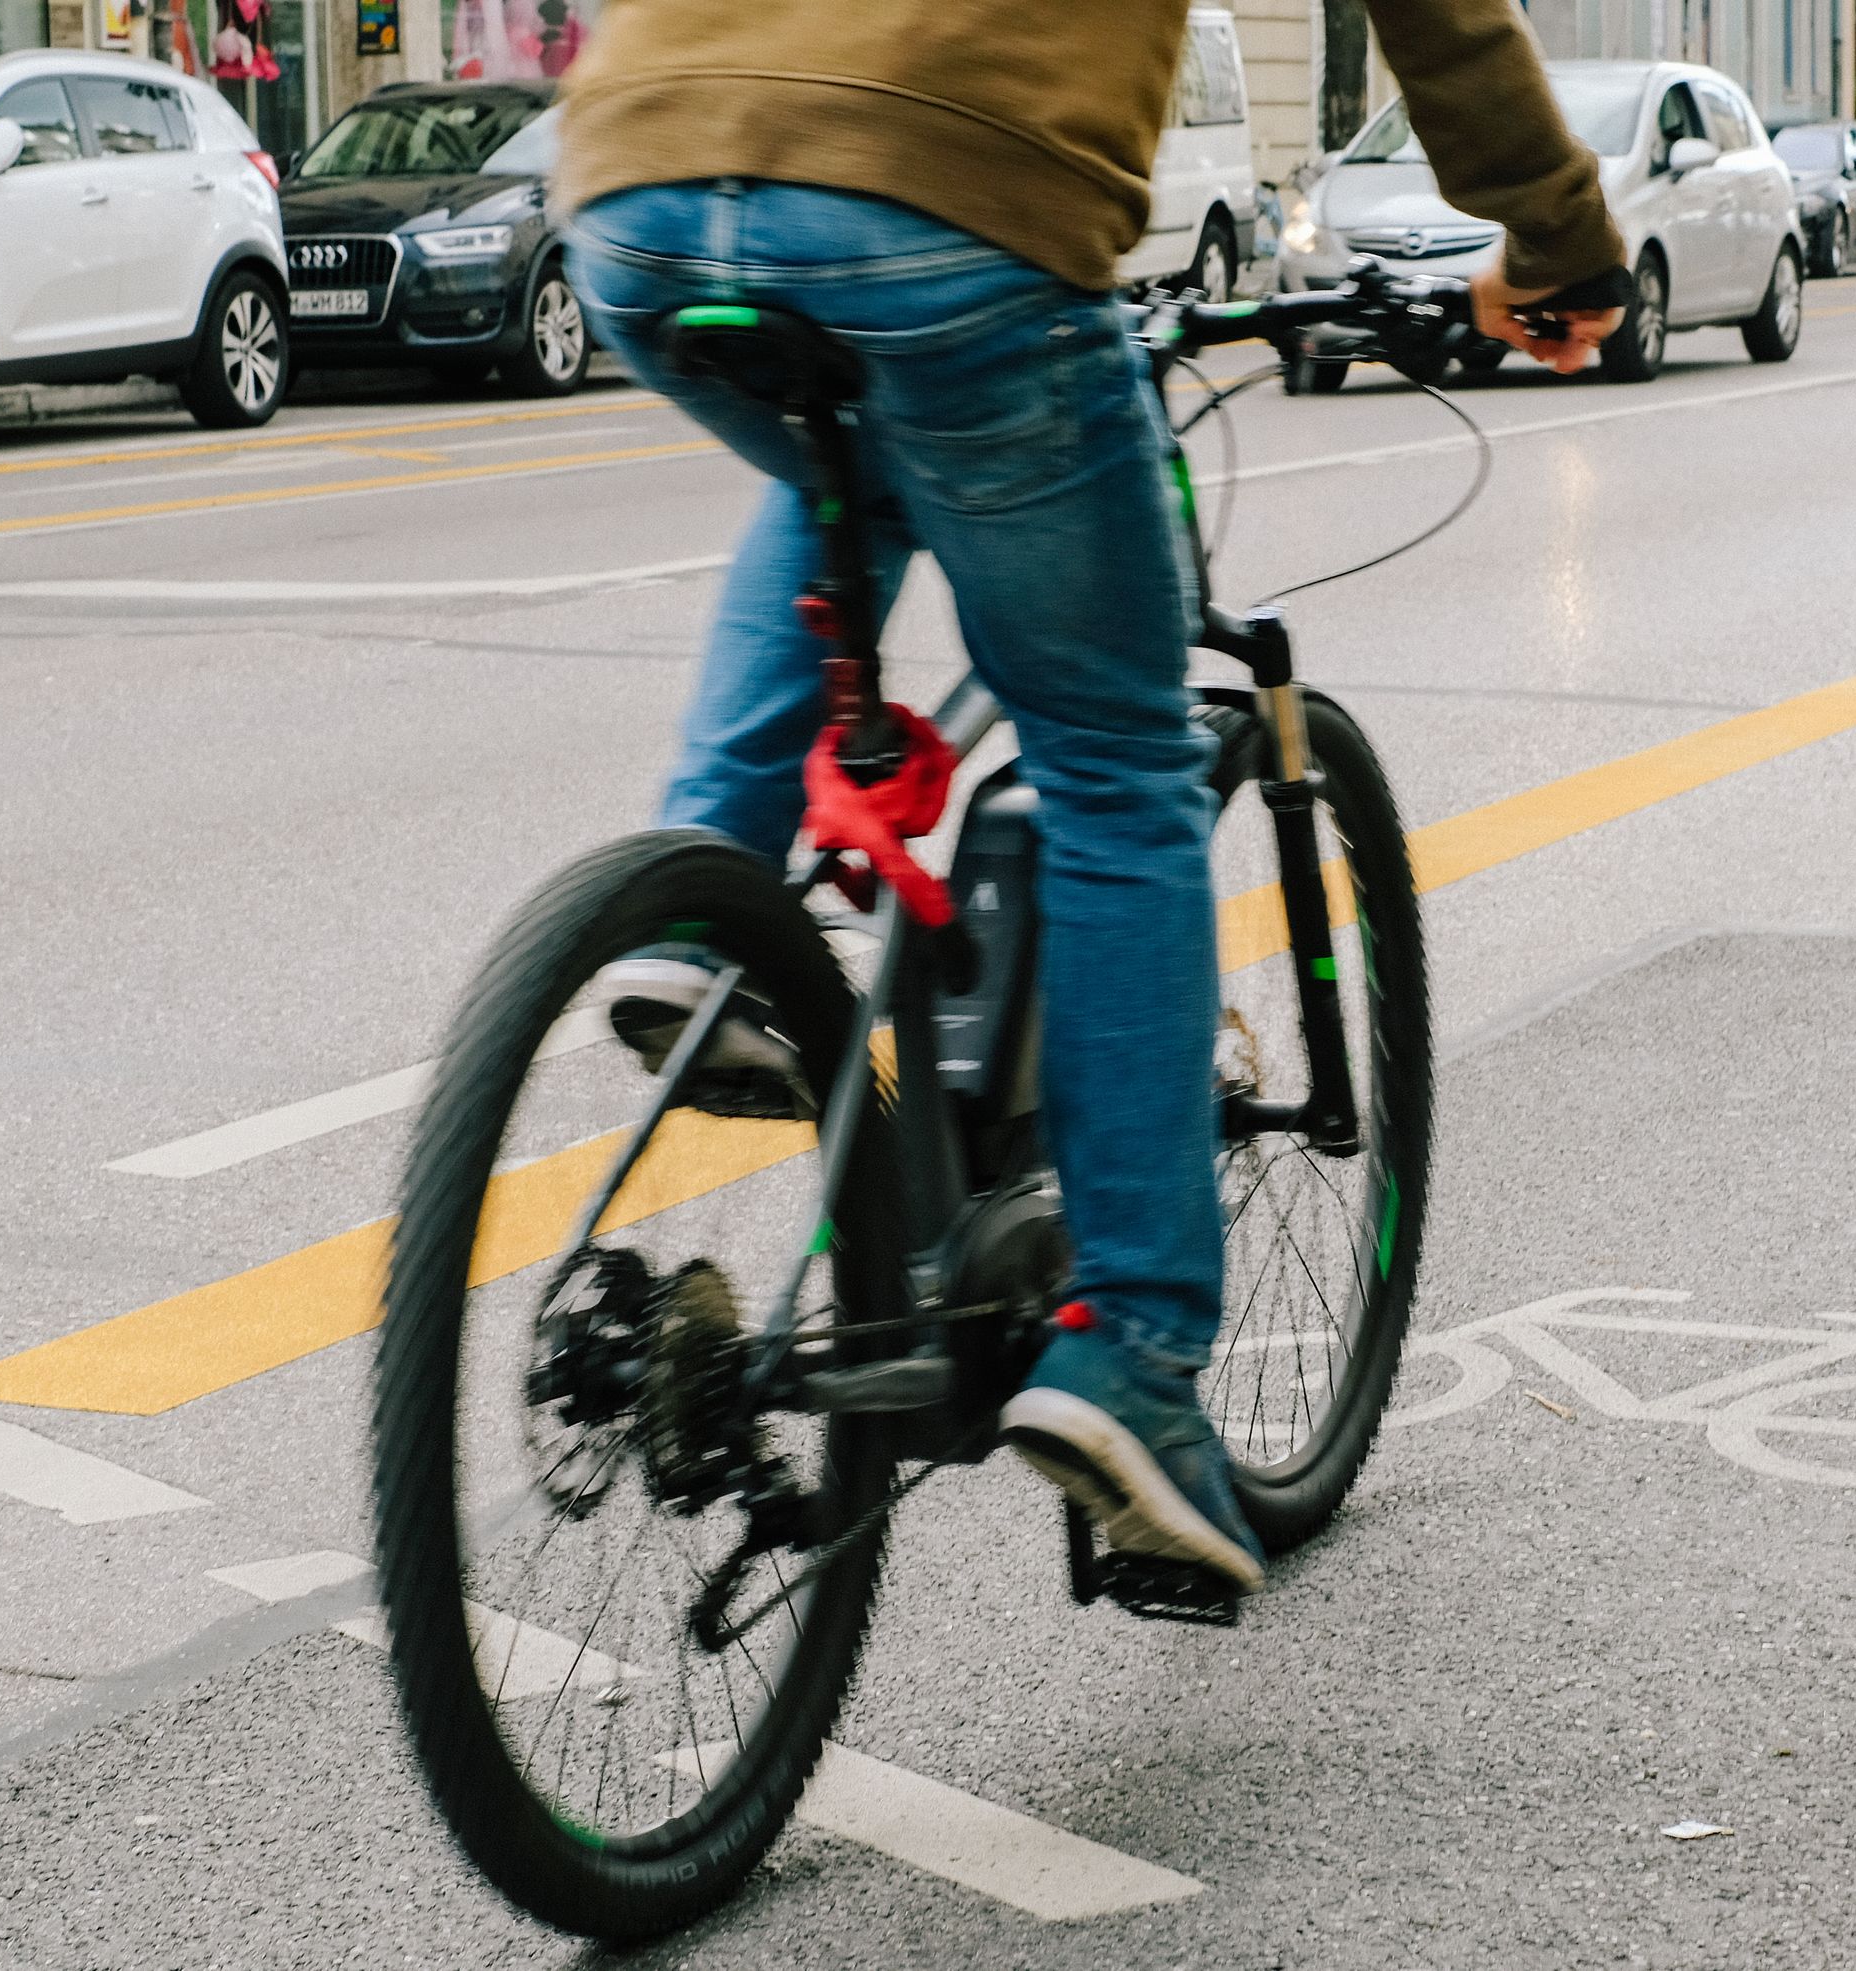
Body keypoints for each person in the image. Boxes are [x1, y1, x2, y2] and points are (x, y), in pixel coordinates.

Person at [554, 0, 1624, 1595]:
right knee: (1117, 764)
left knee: (842, 459)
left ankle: (711, 906)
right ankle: (1128, 1352)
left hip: (639, 180)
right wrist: (1559, 242)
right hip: (951, 204)